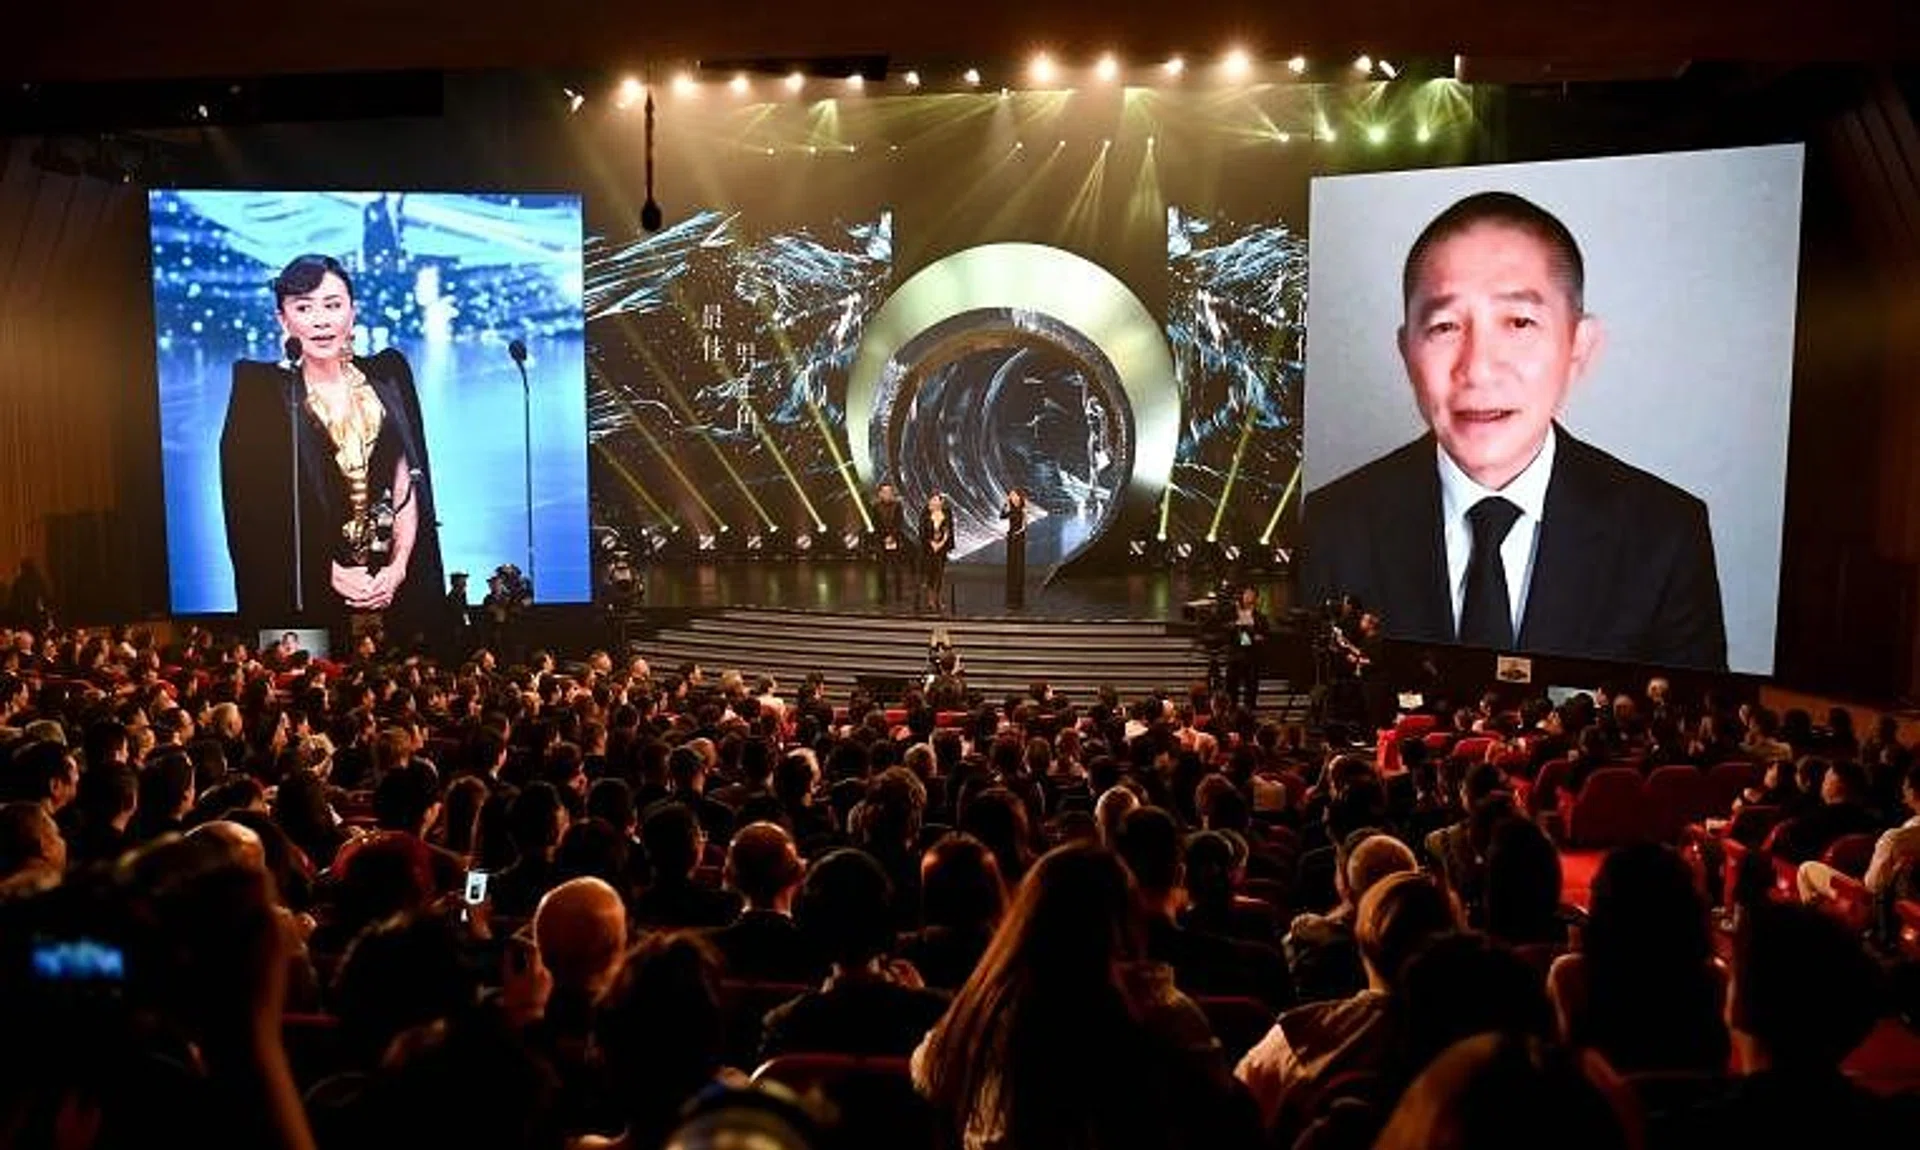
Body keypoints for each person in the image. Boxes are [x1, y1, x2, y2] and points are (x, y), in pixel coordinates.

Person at [1301, 191, 1726, 670]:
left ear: (1579, 347)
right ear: (1406, 351)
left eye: (1520, 322)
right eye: (1444, 326)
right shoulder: (1335, 523)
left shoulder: (1665, 533)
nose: (1478, 369)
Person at [913, 842, 1260, 1150]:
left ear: (1027, 920)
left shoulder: (986, 1015)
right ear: (1125, 922)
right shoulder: (1162, 1015)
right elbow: (1220, 1107)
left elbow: (929, 1070)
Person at [221, 253, 446, 639]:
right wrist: (327, 572)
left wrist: (398, 568)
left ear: (352, 313)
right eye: (304, 307)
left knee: (408, 666)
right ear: (283, 319)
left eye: (332, 305)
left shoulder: (388, 377)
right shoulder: (260, 390)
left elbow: (407, 481)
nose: (321, 320)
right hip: (307, 592)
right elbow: (250, 509)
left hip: (390, 584)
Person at [1223, 587, 1270, 713]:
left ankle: (1249, 714)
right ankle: (1231, 713)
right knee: (1231, 689)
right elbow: (1226, 632)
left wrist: (1255, 637)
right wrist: (1236, 625)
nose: (1248, 597)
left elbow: (1265, 636)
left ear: (1256, 598)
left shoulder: (1261, 618)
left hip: (1252, 658)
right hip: (1235, 657)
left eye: (1251, 594)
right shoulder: (1233, 615)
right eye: (1246, 594)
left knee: (1251, 690)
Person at [872, 482, 907, 608]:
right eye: (884, 492)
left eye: (889, 491)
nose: (887, 494)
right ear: (880, 494)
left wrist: (892, 536)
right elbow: (875, 524)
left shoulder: (898, 506)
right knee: (881, 570)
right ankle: (882, 595)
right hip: (881, 541)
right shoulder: (875, 507)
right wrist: (884, 537)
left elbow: (899, 522)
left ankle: (899, 594)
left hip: (895, 540)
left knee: (897, 569)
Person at [919, 493, 953, 615]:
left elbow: (949, 531)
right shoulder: (925, 515)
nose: (933, 502)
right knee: (930, 574)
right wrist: (931, 543)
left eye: (936, 500)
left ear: (941, 502)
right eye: (931, 500)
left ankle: (938, 598)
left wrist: (942, 543)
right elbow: (922, 531)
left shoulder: (947, 514)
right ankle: (930, 599)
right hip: (928, 548)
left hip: (942, 549)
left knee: (939, 574)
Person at [1000, 487, 1027, 609]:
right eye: (1010, 495)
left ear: (1019, 497)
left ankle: (1018, 599)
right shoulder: (1010, 509)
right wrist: (1005, 504)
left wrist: (1017, 534)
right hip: (1011, 540)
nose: (1012, 497)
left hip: (1019, 540)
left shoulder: (1023, 509)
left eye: (1014, 495)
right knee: (1011, 567)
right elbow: (1002, 516)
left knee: (1018, 567)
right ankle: (1010, 598)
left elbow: (1024, 527)